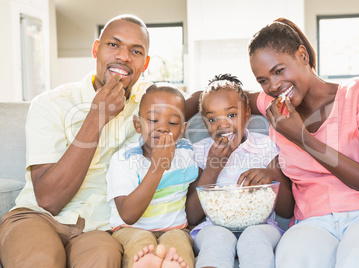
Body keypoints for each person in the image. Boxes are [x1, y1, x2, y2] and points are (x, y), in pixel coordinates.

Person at [0, 14, 153, 267]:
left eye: (135, 51)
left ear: (144, 63)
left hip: (98, 228)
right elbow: (48, 200)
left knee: (102, 258)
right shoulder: (51, 103)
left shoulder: (149, 104)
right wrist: (97, 117)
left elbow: (199, 102)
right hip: (38, 217)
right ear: (96, 49)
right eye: (113, 45)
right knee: (41, 260)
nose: (124, 56)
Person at [248, 17, 359, 267]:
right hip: (312, 223)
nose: (274, 86)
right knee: (294, 259)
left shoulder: (357, 94)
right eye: (263, 80)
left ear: (302, 56)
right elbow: (227, 95)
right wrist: (168, 107)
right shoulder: (275, 108)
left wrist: (301, 138)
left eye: (279, 71)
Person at [185, 74, 294, 268]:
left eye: (232, 115)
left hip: (261, 225)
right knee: (216, 241)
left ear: (246, 114)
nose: (223, 124)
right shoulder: (200, 151)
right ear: (205, 123)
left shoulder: (265, 147)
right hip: (214, 226)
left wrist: (272, 176)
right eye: (213, 119)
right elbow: (192, 216)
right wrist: (212, 169)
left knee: (254, 239)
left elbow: (286, 210)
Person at [106, 84, 197, 268]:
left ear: (182, 129)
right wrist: (158, 167)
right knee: (142, 241)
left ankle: (172, 262)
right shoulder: (124, 159)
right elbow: (128, 215)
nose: (163, 128)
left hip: (174, 228)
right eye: (154, 120)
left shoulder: (187, 153)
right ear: (137, 125)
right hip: (130, 229)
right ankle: (145, 263)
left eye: (172, 123)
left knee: (178, 241)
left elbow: (197, 197)